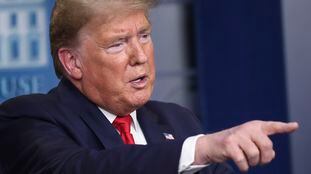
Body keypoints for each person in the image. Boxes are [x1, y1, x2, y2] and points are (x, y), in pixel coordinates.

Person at [0, 0, 298, 174]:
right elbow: (82, 169)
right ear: (73, 62)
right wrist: (201, 148)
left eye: (144, 36)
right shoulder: (27, 118)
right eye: (117, 44)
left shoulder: (178, 121)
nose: (140, 56)